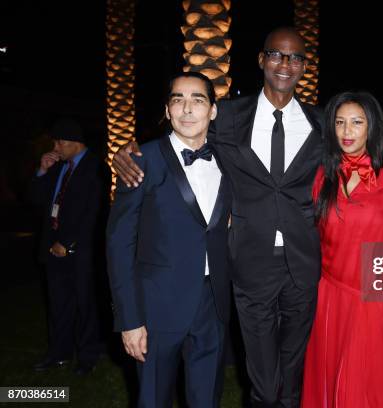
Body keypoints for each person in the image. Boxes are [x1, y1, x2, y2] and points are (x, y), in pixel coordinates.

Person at [111, 27, 323, 407]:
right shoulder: (229, 118)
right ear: (261, 60)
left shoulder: (322, 124)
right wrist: (125, 154)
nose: (285, 64)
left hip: (281, 273)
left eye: (295, 58)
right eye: (276, 54)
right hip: (238, 272)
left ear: (305, 65)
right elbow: (122, 237)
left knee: (280, 379)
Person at [106, 72, 231, 407]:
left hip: (213, 306)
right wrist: (129, 320)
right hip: (156, 308)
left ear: (213, 111)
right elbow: (119, 244)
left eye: (198, 100)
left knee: (207, 400)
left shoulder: (229, 159)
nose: (187, 109)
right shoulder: (140, 160)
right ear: (167, 109)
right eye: (178, 99)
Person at [301, 91, 383, 407]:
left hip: (375, 294)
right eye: (340, 123)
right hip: (330, 291)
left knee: (366, 379)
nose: (346, 131)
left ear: (372, 127)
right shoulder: (322, 175)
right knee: (329, 375)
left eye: (357, 122)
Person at [30, 118, 105, 375]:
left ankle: (87, 357)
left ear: (74, 143)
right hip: (53, 249)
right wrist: (42, 170)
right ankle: (59, 354)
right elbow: (38, 201)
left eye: (59, 142)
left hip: (81, 251)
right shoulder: (57, 166)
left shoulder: (96, 167)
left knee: (86, 304)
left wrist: (67, 242)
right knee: (59, 304)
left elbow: (91, 211)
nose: (55, 146)